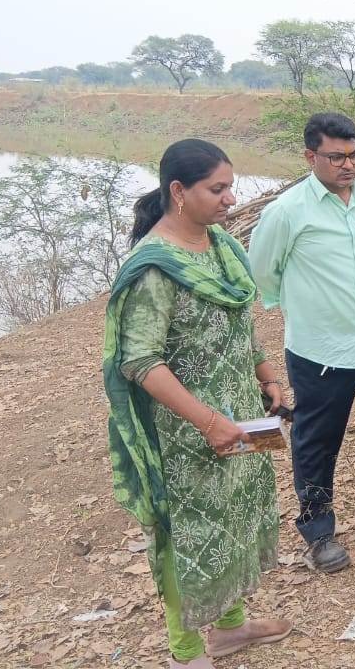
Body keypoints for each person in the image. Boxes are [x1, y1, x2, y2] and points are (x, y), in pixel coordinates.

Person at [103, 139, 291, 669]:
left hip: (239, 420)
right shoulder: (155, 268)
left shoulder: (222, 248)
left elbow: (241, 325)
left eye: (231, 186)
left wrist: (268, 377)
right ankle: (186, 652)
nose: (231, 198)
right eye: (219, 188)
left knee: (231, 519)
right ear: (178, 192)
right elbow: (139, 362)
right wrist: (208, 422)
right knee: (187, 536)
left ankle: (230, 628)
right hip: (187, 432)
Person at [248, 112, 355, 575]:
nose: (348, 165)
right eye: (336, 156)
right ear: (311, 156)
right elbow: (263, 270)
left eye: (353, 155)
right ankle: (318, 529)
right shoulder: (287, 210)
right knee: (317, 441)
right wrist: (302, 304)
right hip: (320, 348)